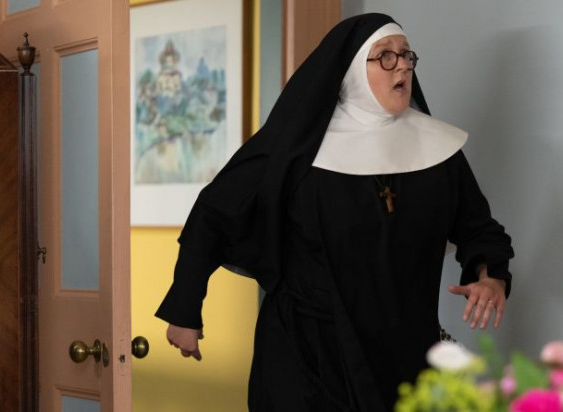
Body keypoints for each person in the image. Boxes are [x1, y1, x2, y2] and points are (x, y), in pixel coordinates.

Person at [156, 13, 514, 411]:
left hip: (402, 352)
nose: (402, 67)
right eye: (386, 56)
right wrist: (185, 309)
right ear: (351, 72)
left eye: (407, 55)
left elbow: (478, 228)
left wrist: (490, 276)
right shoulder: (297, 147)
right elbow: (212, 216)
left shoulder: (439, 150)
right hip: (306, 353)